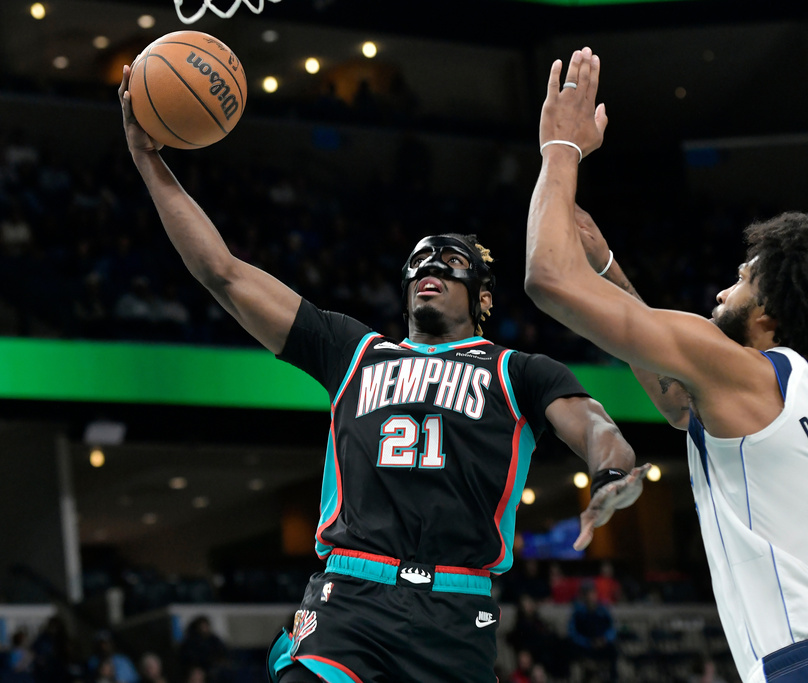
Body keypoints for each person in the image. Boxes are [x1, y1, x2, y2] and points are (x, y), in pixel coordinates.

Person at [117, 64, 647, 683]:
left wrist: (612, 472)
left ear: (483, 298)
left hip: (457, 612)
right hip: (349, 600)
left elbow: (593, 425)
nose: (430, 265)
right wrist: (147, 159)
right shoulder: (355, 351)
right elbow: (223, 273)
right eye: (419, 259)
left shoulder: (520, 370)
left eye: (450, 261)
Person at [524, 47, 808, 683]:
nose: (723, 292)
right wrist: (610, 267)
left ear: (773, 317)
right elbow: (676, 398)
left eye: (744, 279)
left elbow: (546, 277)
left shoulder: (748, 374)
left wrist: (561, 149)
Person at [567, 581, 618, 681]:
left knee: (613, 651)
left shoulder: (603, 610)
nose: (591, 596)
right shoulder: (578, 613)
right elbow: (573, 633)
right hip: (585, 647)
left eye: (593, 593)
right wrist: (587, 642)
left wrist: (605, 639)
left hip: (602, 645)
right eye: (588, 593)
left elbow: (612, 628)